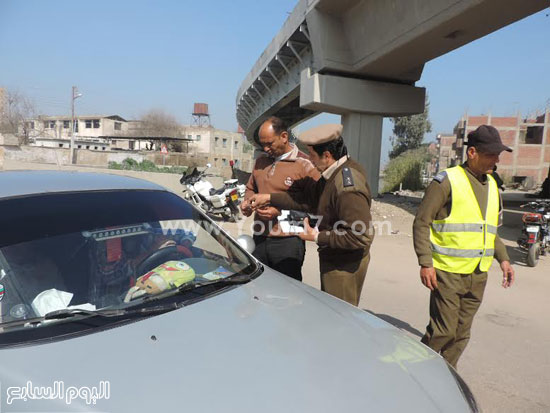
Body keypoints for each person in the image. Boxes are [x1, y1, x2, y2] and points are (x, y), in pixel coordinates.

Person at [413, 124, 515, 368]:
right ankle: (415, 370)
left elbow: (489, 231)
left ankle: (446, 376)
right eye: (491, 154)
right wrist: (425, 263)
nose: (496, 159)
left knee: (461, 334)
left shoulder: (492, 185)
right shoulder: (447, 181)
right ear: (472, 153)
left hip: (477, 274)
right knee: (443, 331)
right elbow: (421, 223)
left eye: (498, 154)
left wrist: (504, 259)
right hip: (447, 272)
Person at [249, 124, 373, 306]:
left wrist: (316, 236)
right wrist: (269, 198)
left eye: (312, 155)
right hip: (335, 256)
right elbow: (308, 200)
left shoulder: (347, 184)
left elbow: (359, 235)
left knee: (338, 317)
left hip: (344, 265)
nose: (310, 161)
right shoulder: (333, 173)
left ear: (327, 156)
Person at [240, 116, 320, 281]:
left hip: (289, 241)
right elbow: (251, 188)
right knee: (259, 287)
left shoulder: (304, 164)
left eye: (270, 143)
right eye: (263, 144)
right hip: (260, 237)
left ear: (284, 137)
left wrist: (279, 212)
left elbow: (314, 204)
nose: (266, 148)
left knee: (287, 294)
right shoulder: (261, 161)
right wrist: (247, 202)